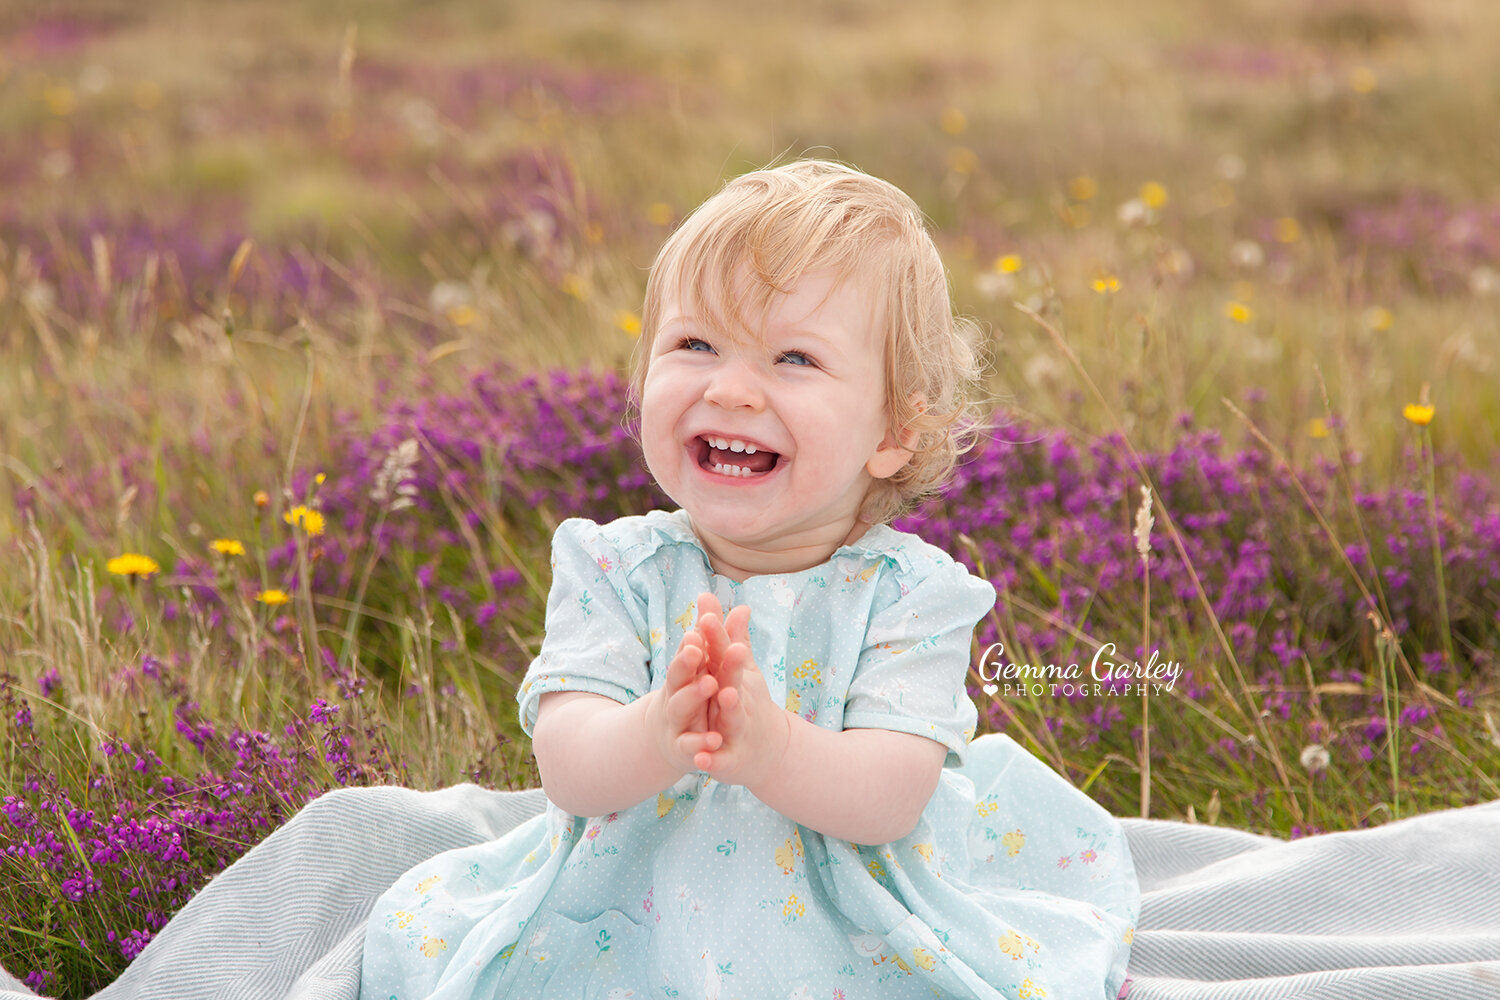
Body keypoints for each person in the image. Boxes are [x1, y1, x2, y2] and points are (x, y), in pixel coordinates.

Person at [359, 159, 1139, 1000]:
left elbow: (889, 799)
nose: (730, 390)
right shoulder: (616, 568)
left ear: (896, 432)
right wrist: (656, 732)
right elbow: (569, 768)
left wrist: (774, 750)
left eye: (793, 358)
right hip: (631, 901)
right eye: (695, 345)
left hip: (847, 916)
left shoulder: (909, 596)